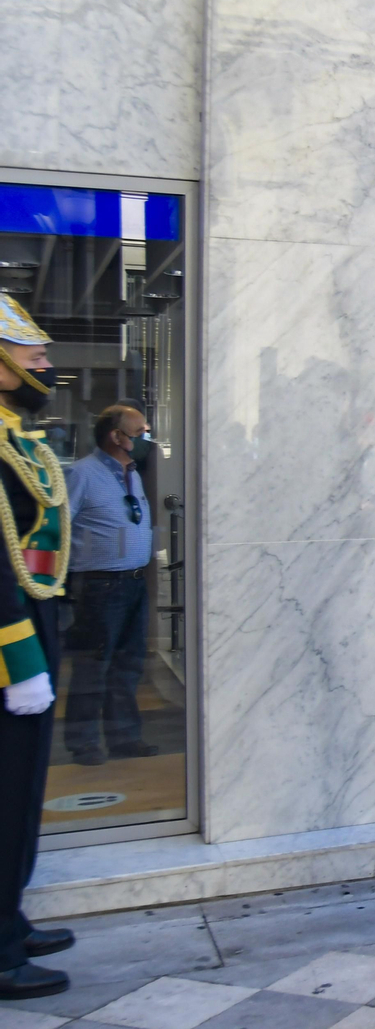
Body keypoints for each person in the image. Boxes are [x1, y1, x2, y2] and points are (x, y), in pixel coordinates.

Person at [0, 297, 74, 1001]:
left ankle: (9, 919)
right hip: (6, 645)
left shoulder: (17, 433)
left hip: (32, 621)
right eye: (31, 354)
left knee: (20, 794)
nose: (44, 364)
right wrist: (21, 660)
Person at [62, 405, 157, 765]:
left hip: (134, 583)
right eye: (139, 433)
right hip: (100, 586)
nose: (145, 438)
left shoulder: (132, 473)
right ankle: (84, 743)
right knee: (93, 666)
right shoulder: (82, 473)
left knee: (128, 665)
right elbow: (62, 525)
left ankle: (124, 738)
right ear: (116, 437)